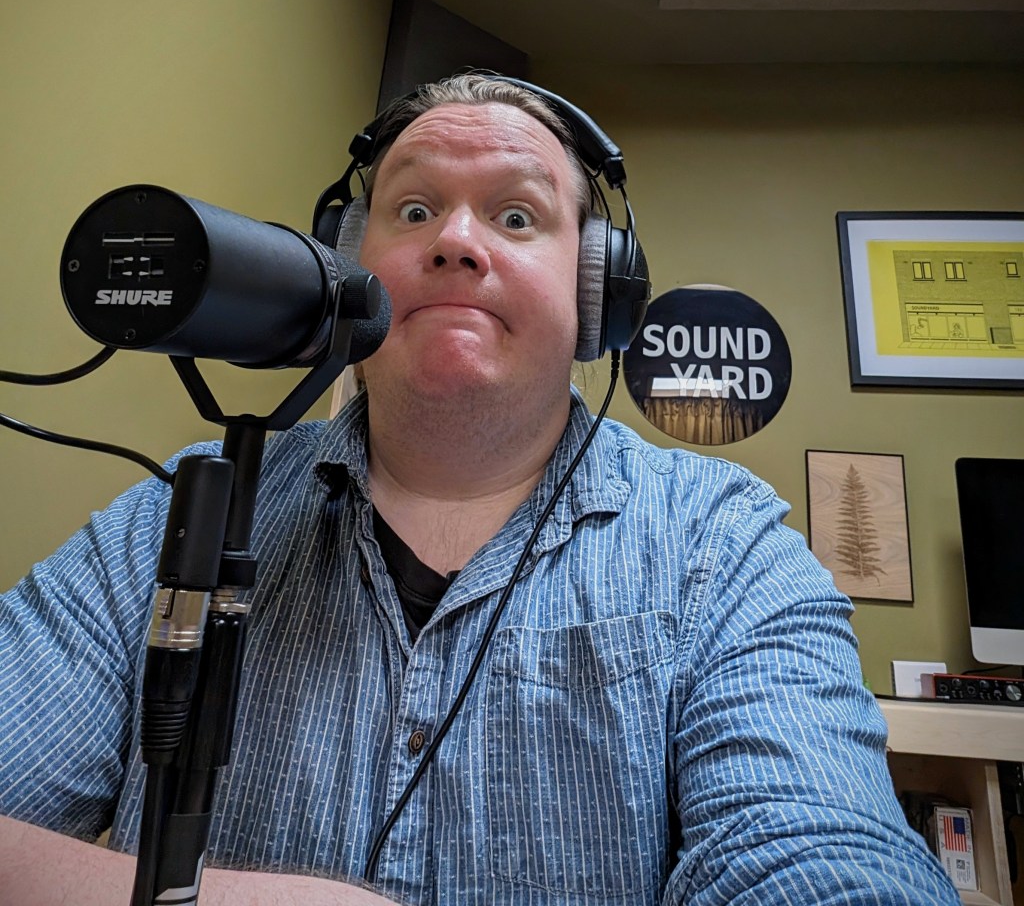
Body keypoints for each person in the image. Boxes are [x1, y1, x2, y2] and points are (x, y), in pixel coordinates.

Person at [0, 75, 959, 905]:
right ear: (345, 264)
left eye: (515, 216)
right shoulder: (178, 518)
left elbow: (820, 858)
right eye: (413, 212)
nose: (456, 242)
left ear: (596, 292)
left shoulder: (728, 546)